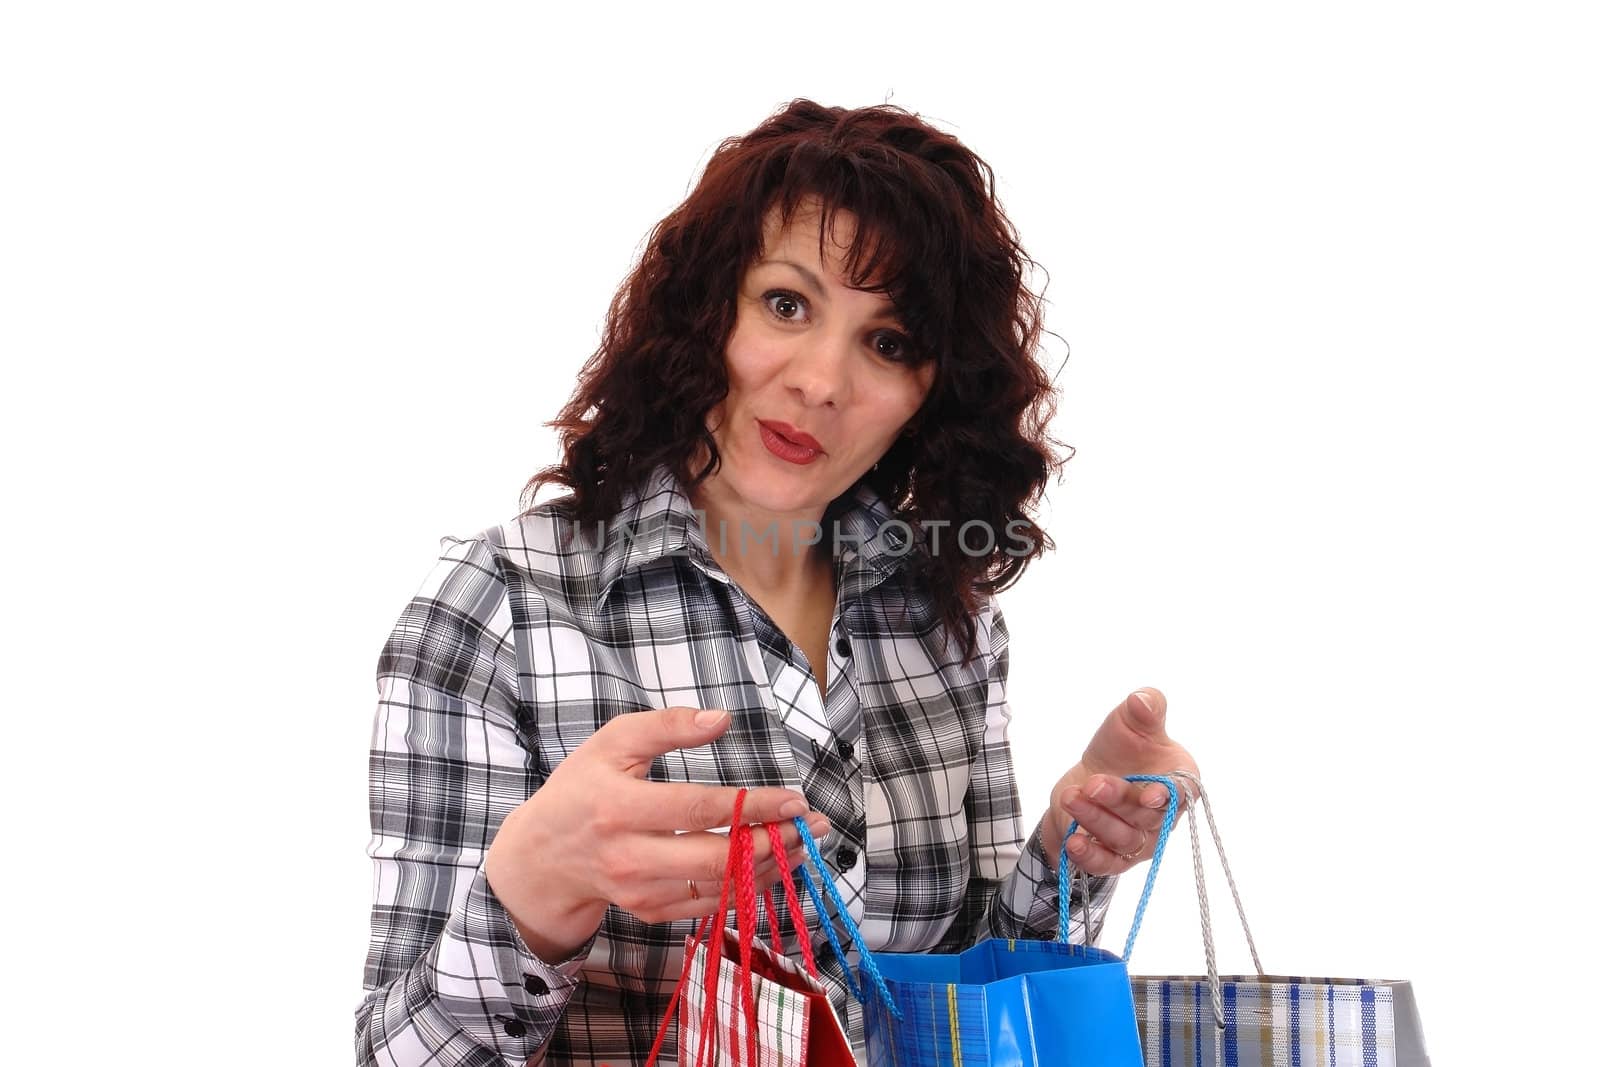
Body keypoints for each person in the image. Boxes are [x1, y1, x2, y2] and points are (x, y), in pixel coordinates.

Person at [356, 98, 1198, 1067]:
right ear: (705, 309)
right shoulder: (499, 606)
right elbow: (398, 1053)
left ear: (933, 393)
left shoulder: (943, 623)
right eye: (786, 305)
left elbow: (955, 1003)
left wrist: (1072, 843)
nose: (821, 381)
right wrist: (534, 893)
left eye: (887, 343)